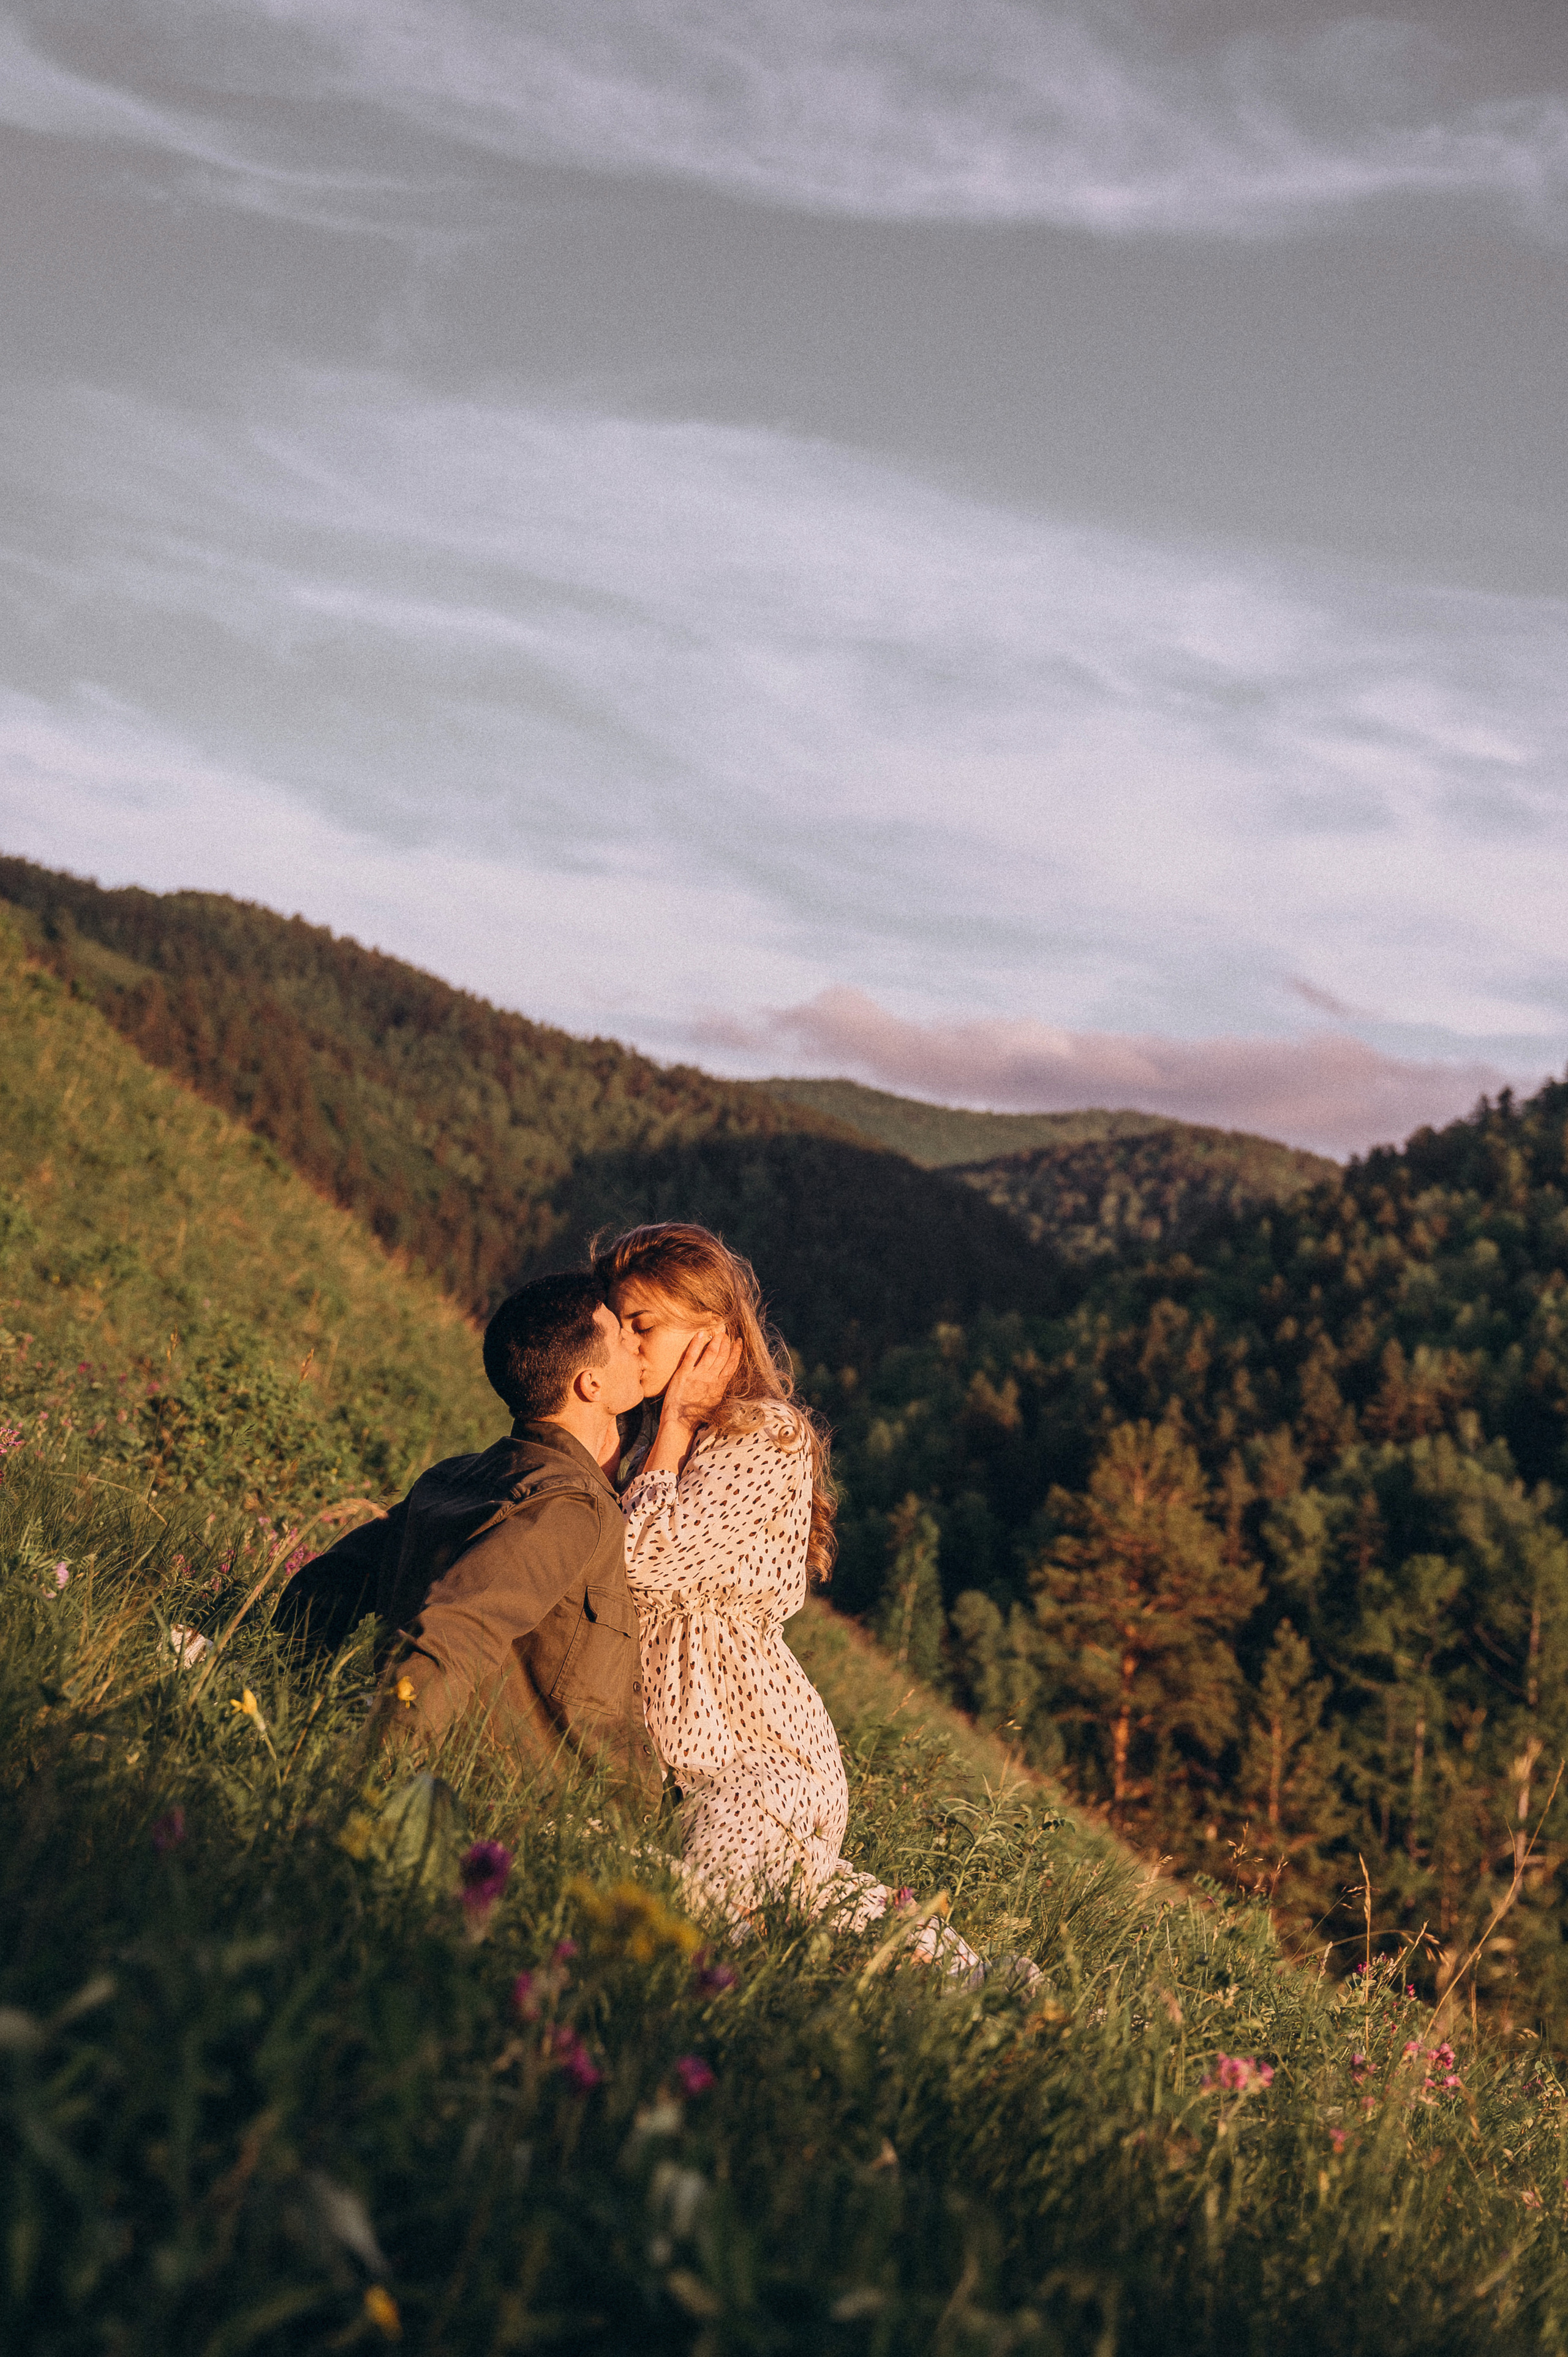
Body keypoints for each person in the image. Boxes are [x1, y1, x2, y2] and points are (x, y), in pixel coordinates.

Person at [598, 1220, 981, 1970]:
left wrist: (674, 1424)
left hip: (758, 1754)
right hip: (678, 1760)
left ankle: (968, 1979)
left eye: (645, 1325)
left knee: (708, 1882)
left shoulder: (765, 1435)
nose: (628, 1345)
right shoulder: (648, 1447)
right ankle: (917, 1970)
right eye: (619, 1326)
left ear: (711, 1335)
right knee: (775, 1898)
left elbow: (642, 1560)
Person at [276, 1271, 658, 1801]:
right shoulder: (572, 1508)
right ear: (590, 1384)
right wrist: (363, 1786)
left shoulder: (454, 1477)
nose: (636, 1343)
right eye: (621, 1336)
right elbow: (459, 1625)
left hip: (470, 1786)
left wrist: (285, 1700)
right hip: (544, 1812)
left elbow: (324, 1584)